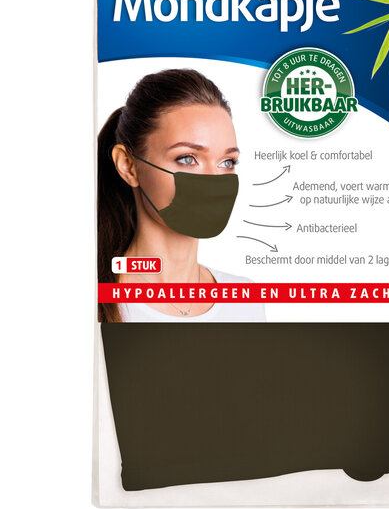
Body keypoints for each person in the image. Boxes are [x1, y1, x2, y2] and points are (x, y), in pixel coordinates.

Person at [97, 69, 265, 323]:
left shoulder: (246, 300)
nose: (213, 180)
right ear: (128, 166)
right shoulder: (95, 302)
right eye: (187, 159)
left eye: (227, 162)